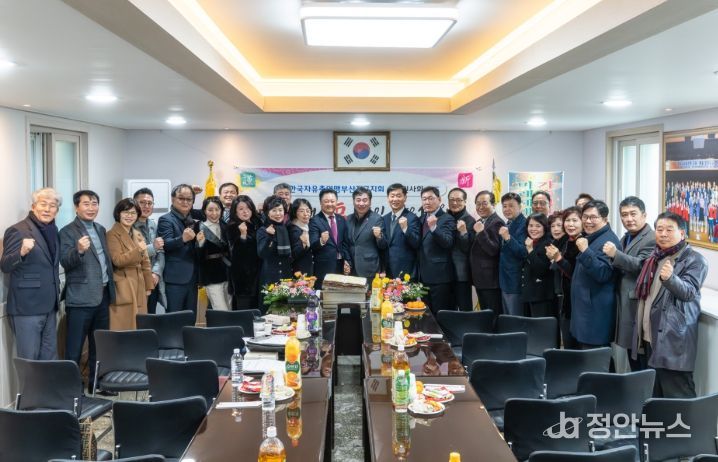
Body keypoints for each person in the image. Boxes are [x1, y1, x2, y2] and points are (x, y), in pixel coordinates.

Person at [632, 212, 707, 398]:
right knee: (655, 396)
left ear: (682, 233)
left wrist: (670, 278)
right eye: (659, 229)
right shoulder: (654, 257)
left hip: (672, 338)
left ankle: (685, 420)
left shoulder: (695, 259)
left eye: (669, 229)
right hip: (650, 336)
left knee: (678, 396)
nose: (663, 234)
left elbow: (689, 292)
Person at [59, 190, 116, 394]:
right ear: (76, 207)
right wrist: (79, 250)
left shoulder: (100, 229)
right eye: (86, 204)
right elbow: (65, 262)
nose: (91, 208)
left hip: (103, 295)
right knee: (74, 348)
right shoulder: (67, 231)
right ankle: (71, 390)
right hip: (80, 298)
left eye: (94, 203)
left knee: (99, 345)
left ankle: (96, 384)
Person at [1, 188, 62, 360]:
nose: (47, 209)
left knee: (49, 358)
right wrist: (20, 252)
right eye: (43, 204)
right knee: (29, 359)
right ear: (33, 206)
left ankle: (47, 381)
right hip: (27, 308)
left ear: (57, 210)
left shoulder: (53, 230)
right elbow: (5, 265)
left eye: (52, 206)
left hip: (50, 305)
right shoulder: (17, 230)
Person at [602, 196, 656, 370]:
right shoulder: (626, 237)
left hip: (638, 305)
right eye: (624, 215)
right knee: (632, 356)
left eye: (633, 214)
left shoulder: (652, 238)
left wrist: (615, 255)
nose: (629, 219)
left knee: (640, 359)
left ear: (644, 215)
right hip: (625, 303)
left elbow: (641, 265)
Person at [570, 200, 621, 348]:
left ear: (605, 219)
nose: (588, 221)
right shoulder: (592, 237)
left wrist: (585, 251)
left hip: (595, 312)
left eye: (593, 217)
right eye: (585, 217)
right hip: (586, 309)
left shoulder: (609, 240)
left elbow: (603, 274)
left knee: (595, 356)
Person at [106, 198, 154, 330]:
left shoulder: (137, 234)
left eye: (133, 213)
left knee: (140, 324)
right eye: (126, 212)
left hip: (140, 284)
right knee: (123, 324)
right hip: (123, 284)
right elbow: (118, 260)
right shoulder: (112, 234)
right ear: (118, 214)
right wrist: (138, 250)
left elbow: (146, 263)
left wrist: (148, 285)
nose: (129, 216)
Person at [158, 184, 199, 313]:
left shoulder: (192, 220)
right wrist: (182, 239)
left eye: (189, 199)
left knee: (191, 317)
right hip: (175, 279)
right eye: (181, 198)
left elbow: (211, 212)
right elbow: (165, 244)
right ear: (173, 199)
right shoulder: (165, 219)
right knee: (174, 318)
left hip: (193, 278)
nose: (185, 202)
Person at [546, 207, 581, 349]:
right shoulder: (563, 242)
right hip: (564, 297)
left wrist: (558, 259)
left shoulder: (578, 242)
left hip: (574, 299)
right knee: (567, 341)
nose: (570, 224)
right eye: (568, 221)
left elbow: (572, 272)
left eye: (574, 220)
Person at [417, 186, 455, 315]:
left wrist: (434, 228)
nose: (427, 202)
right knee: (426, 315)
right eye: (424, 199)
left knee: (440, 314)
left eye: (430, 198)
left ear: (439, 199)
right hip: (423, 277)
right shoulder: (421, 218)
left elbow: (448, 242)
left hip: (440, 277)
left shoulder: (447, 218)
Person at [469, 190, 505, 317]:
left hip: (490, 280)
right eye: (478, 204)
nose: (480, 207)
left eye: (484, 203)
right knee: (486, 314)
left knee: (493, 314)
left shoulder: (497, 222)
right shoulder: (481, 221)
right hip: (482, 279)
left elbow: (493, 250)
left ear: (493, 204)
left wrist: (480, 232)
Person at [309, 188, 352, 289]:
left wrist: (347, 260)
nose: (330, 204)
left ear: (336, 202)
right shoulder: (315, 220)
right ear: (321, 203)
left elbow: (345, 243)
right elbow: (312, 245)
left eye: (332, 201)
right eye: (326, 201)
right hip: (324, 268)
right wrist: (321, 241)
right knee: (324, 295)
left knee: (339, 295)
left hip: (340, 266)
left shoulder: (341, 219)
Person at [133, 188, 165, 313]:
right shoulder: (128, 225)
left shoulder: (153, 225)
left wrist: (156, 272)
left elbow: (160, 252)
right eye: (142, 202)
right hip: (136, 280)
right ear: (134, 203)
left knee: (151, 315)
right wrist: (153, 247)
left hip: (153, 280)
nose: (146, 206)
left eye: (149, 203)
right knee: (137, 318)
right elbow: (130, 255)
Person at [196, 196, 232, 310]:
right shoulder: (198, 227)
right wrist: (200, 244)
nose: (214, 213)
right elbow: (195, 256)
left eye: (217, 209)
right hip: (210, 274)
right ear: (204, 211)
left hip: (228, 272)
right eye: (210, 210)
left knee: (231, 308)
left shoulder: (226, 226)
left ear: (221, 210)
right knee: (220, 309)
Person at [227, 195, 262, 309]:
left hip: (258, 274)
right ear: (235, 211)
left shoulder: (257, 223)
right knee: (244, 310)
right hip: (242, 278)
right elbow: (235, 254)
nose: (245, 211)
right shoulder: (232, 226)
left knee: (257, 311)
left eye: (248, 208)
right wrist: (243, 236)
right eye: (241, 209)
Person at [346, 186, 387, 279]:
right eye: (358, 200)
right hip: (350, 269)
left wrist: (379, 236)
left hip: (369, 269)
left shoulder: (377, 219)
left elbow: (383, 246)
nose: (361, 203)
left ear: (370, 202)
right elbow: (346, 243)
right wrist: (346, 260)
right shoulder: (348, 219)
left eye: (365, 200)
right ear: (353, 201)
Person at [498, 192, 528, 316]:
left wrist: (508, 238)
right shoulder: (508, 223)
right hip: (505, 280)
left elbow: (523, 252)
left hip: (516, 281)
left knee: (515, 319)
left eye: (511, 206)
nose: (507, 209)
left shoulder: (524, 224)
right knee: (508, 318)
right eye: (504, 206)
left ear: (520, 207)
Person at [382, 183, 420, 279]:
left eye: (398, 196)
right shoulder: (384, 218)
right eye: (392, 196)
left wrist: (405, 229)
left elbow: (416, 243)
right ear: (388, 198)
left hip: (405, 271)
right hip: (387, 272)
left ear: (405, 198)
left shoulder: (412, 218)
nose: (395, 199)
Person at [521, 213, 555, 317]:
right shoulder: (532, 242)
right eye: (530, 225)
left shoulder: (548, 243)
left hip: (542, 296)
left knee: (541, 325)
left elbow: (541, 270)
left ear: (544, 227)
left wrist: (530, 250)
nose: (533, 229)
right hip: (530, 294)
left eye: (538, 226)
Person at [446, 187, 476, 311]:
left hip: (461, 274)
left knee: (465, 310)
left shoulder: (470, 221)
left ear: (465, 201)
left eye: (458, 200)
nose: (455, 203)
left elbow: (468, 248)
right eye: (451, 200)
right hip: (445, 273)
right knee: (448, 310)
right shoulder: (445, 218)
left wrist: (463, 233)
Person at [257, 195, 293, 289]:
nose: (278, 213)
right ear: (267, 213)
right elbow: (262, 253)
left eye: (280, 210)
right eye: (274, 210)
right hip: (270, 277)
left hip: (286, 276)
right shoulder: (263, 230)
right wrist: (269, 237)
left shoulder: (287, 228)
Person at [288, 198, 314, 276]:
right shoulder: (294, 229)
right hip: (299, 271)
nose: (306, 214)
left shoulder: (307, 227)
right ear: (295, 212)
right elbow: (293, 254)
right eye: (301, 211)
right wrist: (303, 244)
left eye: (308, 211)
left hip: (308, 268)